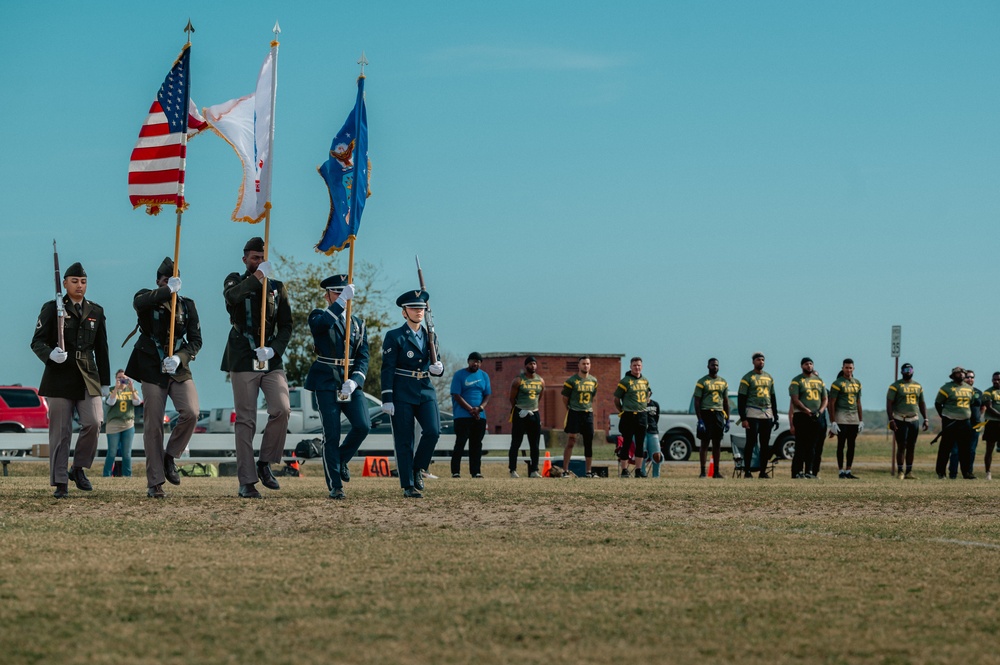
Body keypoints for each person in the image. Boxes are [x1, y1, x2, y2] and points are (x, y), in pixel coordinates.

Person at [30, 261, 110, 498]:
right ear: (64, 284)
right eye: (74, 281)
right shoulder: (52, 308)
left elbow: (102, 348)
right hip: (60, 375)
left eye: (83, 282)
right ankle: (60, 481)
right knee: (61, 431)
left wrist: (105, 381)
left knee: (94, 422)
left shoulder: (96, 310)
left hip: (88, 374)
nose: (79, 286)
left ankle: (78, 468)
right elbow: (37, 341)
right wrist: (50, 354)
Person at [222, 237, 293, 499]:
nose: (258, 262)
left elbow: (286, 325)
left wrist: (275, 348)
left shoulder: (277, 288)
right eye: (254, 258)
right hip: (242, 356)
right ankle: (247, 481)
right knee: (246, 420)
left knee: (282, 408)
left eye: (262, 258)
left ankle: (265, 462)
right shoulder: (235, 280)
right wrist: (257, 277)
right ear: (245, 260)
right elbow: (232, 298)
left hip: (270, 359)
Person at [126, 257, 202, 499]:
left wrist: (180, 357)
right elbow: (140, 303)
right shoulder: (146, 298)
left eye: (173, 280)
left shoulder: (187, 305)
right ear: (158, 280)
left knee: (191, 412)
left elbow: (196, 340)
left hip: (177, 368)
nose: (169, 284)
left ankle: (170, 456)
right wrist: (165, 291)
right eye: (164, 280)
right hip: (150, 366)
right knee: (153, 425)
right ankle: (155, 482)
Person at [304, 275, 370, 500]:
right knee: (331, 433)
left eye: (344, 293)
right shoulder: (318, 315)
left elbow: (363, 355)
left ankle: (341, 459)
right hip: (326, 380)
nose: (342, 297)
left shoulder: (358, 323)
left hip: (349, 381)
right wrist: (340, 303)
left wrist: (356, 380)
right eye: (337, 293)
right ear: (328, 295)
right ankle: (335, 485)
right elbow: (321, 326)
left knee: (363, 425)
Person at [380, 289, 443, 498]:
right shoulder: (395, 336)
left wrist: (439, 369)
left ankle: (418, 468)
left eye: (422, 308)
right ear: (404, 312)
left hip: (425, 389)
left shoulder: (430, 336)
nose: (419, 312)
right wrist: (387, 397)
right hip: (402, 391)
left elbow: (437, 362)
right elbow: (387, 368)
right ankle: (408, 485)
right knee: (404, 439)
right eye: (414, 308)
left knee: (433, 431)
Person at [737, 352, 778, 479]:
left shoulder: (769, 377)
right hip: (752, 412)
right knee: (751, 442)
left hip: (766, 412)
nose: (761, 362)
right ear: (753, 362)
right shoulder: (747, 378)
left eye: (763, 360)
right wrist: (743, 418)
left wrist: (775, 415)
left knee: (765, 444)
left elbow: (773, 397)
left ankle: (762, 472)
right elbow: (741, 398)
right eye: (758, 360)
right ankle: (747, 471)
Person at [450, 352, 491, 479]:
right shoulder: (459, 375)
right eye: (473, 361)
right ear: (468, 361)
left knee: (476, 444)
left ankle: (475, 471)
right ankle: (455, 472)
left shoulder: (484, 376)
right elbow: (456, 395)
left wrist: (480, 408)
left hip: (479, 416)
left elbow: (487, 394)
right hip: (462, 416)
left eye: (478, 361)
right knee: (460, 443)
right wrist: (470, 410)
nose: (476, 363)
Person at [886, 362, 929, 480]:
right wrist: (891, 419)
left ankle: (909, 471)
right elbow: (889, 403)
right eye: (905, 370)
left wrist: (925, 418)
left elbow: (921, 403)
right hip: (900, 418)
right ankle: (900, 470)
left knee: (911, 446)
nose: (908, 372)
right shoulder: (896, 386)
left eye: (909, 370)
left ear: (913, 371)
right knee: (901, 445)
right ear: (901, 372)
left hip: (913, 419)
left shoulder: (918, 386)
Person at [934, 366, 976, 480]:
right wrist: (943, 416)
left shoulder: (969, 388)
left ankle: (966, 472)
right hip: (950, 420)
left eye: (963, 373)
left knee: (965, 448)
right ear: (953, 376)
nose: (961, 375)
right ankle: (941, 472)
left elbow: (971, 402)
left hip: (965, 421)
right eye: (958, 373)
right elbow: (938, 403)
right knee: (946, 448)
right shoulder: (946, 388)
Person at [788, 357, 827, 479]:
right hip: (801, 416)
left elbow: (825, 398)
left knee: (812, 446)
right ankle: (797, 472)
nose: (809, 366)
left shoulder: (819, 381)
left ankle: (809, 471)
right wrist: (806, 410)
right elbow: (795, 399)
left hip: (815, 417)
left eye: (811, 364)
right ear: (802, 366)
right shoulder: (797, 380)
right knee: (800, 445)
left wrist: (820, 411)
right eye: (806, 364)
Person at [614, 357, 651, 478]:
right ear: (630, 366)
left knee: (640, 444)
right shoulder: (625, 381)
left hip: (641, 415)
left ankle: (639, 470)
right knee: (627, 443)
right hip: (629, 415)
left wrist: (645, 403)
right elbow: (616, 399)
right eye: (634, 365)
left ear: (642, 366)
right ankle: (624, 469)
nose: (637, 367)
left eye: (639, 365)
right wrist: (622, 411)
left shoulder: (645, 380)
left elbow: (648, 393)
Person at [561, 356, 598, 478]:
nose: (586, 366)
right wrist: (571, 409)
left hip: (587, 412)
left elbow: (593, 396)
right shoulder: (572, 381)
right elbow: (565, 398)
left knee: (588, 442)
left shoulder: (593, 381)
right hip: (574, 412)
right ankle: (565, 470)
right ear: (579, 365)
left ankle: (588, 471)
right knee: (571, 440)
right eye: (583, 364)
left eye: (587, 364)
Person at [508, 356, 545, 478]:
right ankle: (512, 469)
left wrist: (532, 408)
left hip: (534, 413)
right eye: (530, 364)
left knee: (534, 443)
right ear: (526, 366)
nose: (533, 366)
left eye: (534, 364)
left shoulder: (540, 381)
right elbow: (512, 398)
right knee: (516, 442)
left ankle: (534, 470)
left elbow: (539, 397)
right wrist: (519, 408)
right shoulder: (519, 380)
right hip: (521, 412)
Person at [693, 358, 729, 478]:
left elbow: (725, 402)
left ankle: (716, 471)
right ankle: (703, 471)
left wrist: (727, 419)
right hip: (706, 412)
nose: (715, 367)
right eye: (713, 365)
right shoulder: (702, 381)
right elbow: (697, 401)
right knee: (704, 443)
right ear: (708, 366)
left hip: (718, 413)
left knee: (717, 443)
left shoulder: (723, 382)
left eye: (717, 365)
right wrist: (700, 419)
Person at [102, 370, 142, 477]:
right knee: (112, 452)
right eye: (119, 378)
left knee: (127, 453)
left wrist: (132, 388)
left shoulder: (131, 390)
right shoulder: (111, 390)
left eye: (123, 378)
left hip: (128, 424)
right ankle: (107, 474)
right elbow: (110, 402)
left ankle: (127, 475)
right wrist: (116, 388)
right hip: (113, 424)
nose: (121, 380)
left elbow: (137, 402)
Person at [828, 359, 863, 479]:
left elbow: (858, 402)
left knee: (852, 444)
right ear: (842, 368)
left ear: (854, 368)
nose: (848, 370)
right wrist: (833, 421)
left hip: (853, 415)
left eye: (850, 368)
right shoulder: (837, 383)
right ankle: (840, 470)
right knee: (841, 443)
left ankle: (848, 470)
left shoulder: (857, 383)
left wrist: (861, 419)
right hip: (841, 415)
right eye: (846, 367)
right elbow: (831, 403)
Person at [948, 370, 983, 479]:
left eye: (972, 377)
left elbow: (982, 406)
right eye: (967, 377)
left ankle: (968, 473)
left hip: (974, 426)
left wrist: (979, 417)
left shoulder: (978, 392)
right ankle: (953, 474)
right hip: (959, 424)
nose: (970, 379)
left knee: (971, 451)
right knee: (955, 451)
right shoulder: (957, 391)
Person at [981, 372, 1000, 480]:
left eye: (998, 379)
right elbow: (989, 407)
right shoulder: (988, 392)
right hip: (992, 422)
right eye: (994, 379)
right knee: (989, 449)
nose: (996, 381)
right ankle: (988, 472)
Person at [642, 398, 665, 478]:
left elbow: (656, 418)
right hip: (642, 431)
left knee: (657, 455)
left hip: (653, 431)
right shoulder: (639, 403)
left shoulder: (655, 404)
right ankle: (642, 473)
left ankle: (656, 476)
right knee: (643, 453)